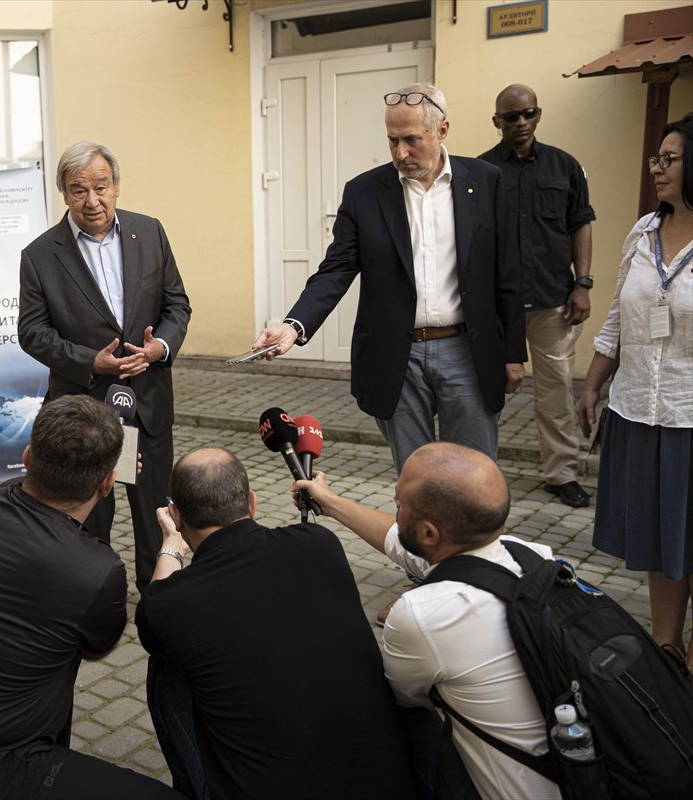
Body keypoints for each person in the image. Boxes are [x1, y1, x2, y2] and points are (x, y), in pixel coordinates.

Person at [0, 395, 182, 799]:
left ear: (28, 457)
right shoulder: (98, 571)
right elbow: (97, 646)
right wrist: (170, 549)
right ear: (107, 483)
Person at [253, 83, 526, 472]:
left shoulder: (486, 181)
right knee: (415, 478)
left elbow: (508, 272)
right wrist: (294, 326)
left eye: (412, 139)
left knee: (473, 477)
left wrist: (515, 354)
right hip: (398, 357)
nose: (401, 153)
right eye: (393, 140)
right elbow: (337, 268)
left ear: (442, 130)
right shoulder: (365, 192)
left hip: (467, 351)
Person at [135, 447, 415, 800]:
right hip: (386, 784)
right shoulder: (320, 543)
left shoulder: (172, 603)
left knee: (165, 665)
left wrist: (171, 546)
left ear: (175, 516)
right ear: (251, 504)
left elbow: (155, 606)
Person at [295, 442, 559, 799]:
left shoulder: (420, 615)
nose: (395, 510)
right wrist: (331, 502)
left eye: (399, 506)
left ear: (430, 534)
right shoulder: (532, 556)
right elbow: (412, 547)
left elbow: (403, 700)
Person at [18, 140, 192, 589]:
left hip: (148, 401)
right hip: (84, 407)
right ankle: (94, 595)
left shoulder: (149, 232)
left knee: (154, 507)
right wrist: (90, 362)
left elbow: (177, 305)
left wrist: (161, 349)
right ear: (64, 194)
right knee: (89, 513)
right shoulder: (40, 256)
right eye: (79, 190)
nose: (92, 200)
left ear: (116, 186)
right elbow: (32, 332)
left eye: (101, 187)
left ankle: (158, 592)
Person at [579, 112, 693, 669]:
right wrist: (593, 383)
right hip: (639, 411)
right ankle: (667, 647)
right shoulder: (643, 231)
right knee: (661, 540)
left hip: (690, 415)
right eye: (657, 159)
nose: (658, 169)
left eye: (669, 160)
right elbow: (619, 319)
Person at [479, 84, 596, 508]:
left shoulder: (565, 167)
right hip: (497, 305)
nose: (521, 123)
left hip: (554, 300)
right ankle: (479, 472)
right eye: (511, 117)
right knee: (486, 391)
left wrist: (583, 283)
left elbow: (580, 223)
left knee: (556, 391)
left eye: (528, 113)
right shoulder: (482, 172)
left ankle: (561, 473)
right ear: (498, 123)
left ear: (538, 115)